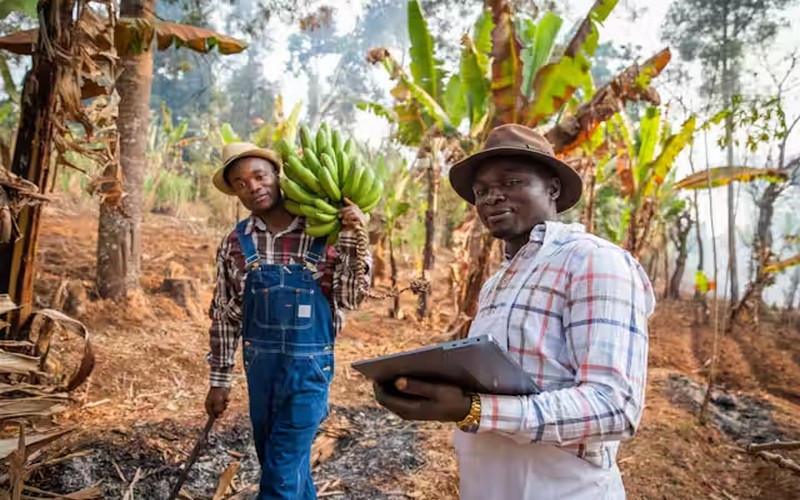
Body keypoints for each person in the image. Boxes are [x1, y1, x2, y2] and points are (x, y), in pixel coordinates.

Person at [372, 124, 655, 499]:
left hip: (563, 488)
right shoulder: (499, 280)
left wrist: (474, 410)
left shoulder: (593, 261)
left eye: (512, 182)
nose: (492, 198)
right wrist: (427, 390)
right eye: (482, 191)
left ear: (552, 188)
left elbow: (614, 406)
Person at [205, 142, 371, 499]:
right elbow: (223, 315)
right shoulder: (235, 242)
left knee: (280, 474)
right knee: (283, 467)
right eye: (240, 182)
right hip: (260, 370)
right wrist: (219, 380)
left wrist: (355, 236)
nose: (252, 187)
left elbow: (352, 298)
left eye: (259, 176)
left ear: (278, 177)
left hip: (309, 370)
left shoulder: (323, 231)